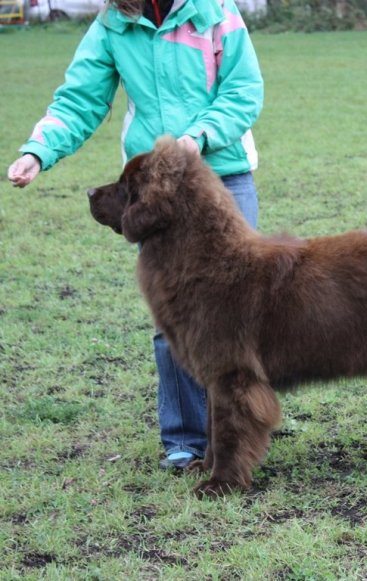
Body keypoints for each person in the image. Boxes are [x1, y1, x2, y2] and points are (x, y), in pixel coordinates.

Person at [7, 0, 264, 470]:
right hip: (154, 192)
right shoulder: (114, 22)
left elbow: (244, 90)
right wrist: (38, 151)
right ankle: (186, 438)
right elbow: (80, 98)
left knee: (237, 317)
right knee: (175, 320)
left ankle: (236, 433)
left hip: (222, 172)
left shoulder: (217, 11)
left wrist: (199, 137)